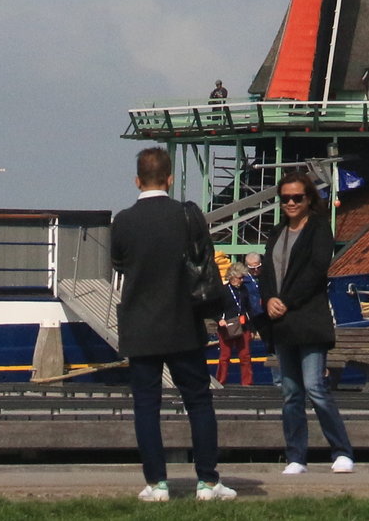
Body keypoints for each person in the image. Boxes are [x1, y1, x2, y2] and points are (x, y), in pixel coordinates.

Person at [109, 146, 234, 501]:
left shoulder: (123, 220)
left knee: (147, 405)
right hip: (183, 321)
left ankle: (156, 484)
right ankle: (208, 482)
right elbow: (203, 260)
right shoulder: (185, 215)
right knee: (198, 401)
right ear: (169, 178)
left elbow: (119, 262)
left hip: (141, 324)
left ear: (137, 180)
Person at [261, 170, 354, 475]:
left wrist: (287, 300)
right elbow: (266, 272)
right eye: (285, 198)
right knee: (290, 392)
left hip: (308, 318)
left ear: (309, 198)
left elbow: (316, 271)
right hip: (282, 323)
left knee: (315, 386)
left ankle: (341, 451)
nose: (290, 203)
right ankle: (296, 456)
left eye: (296, 198)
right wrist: (268, 299)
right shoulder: (276, 232)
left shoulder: (318, 229)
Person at [211, 254, 257, 387]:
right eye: (239, 278)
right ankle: (221, 381)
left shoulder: (244, 291)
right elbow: (214, 309)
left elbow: (249, 309)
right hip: (227, 327)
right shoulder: (223, 291)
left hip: (243, 326)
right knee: (225, 357)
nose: (241, 280)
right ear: (231, 277)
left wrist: (252, 328)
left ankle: (247, 383)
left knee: (245, 356)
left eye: (243, 278)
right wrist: (219, 319)